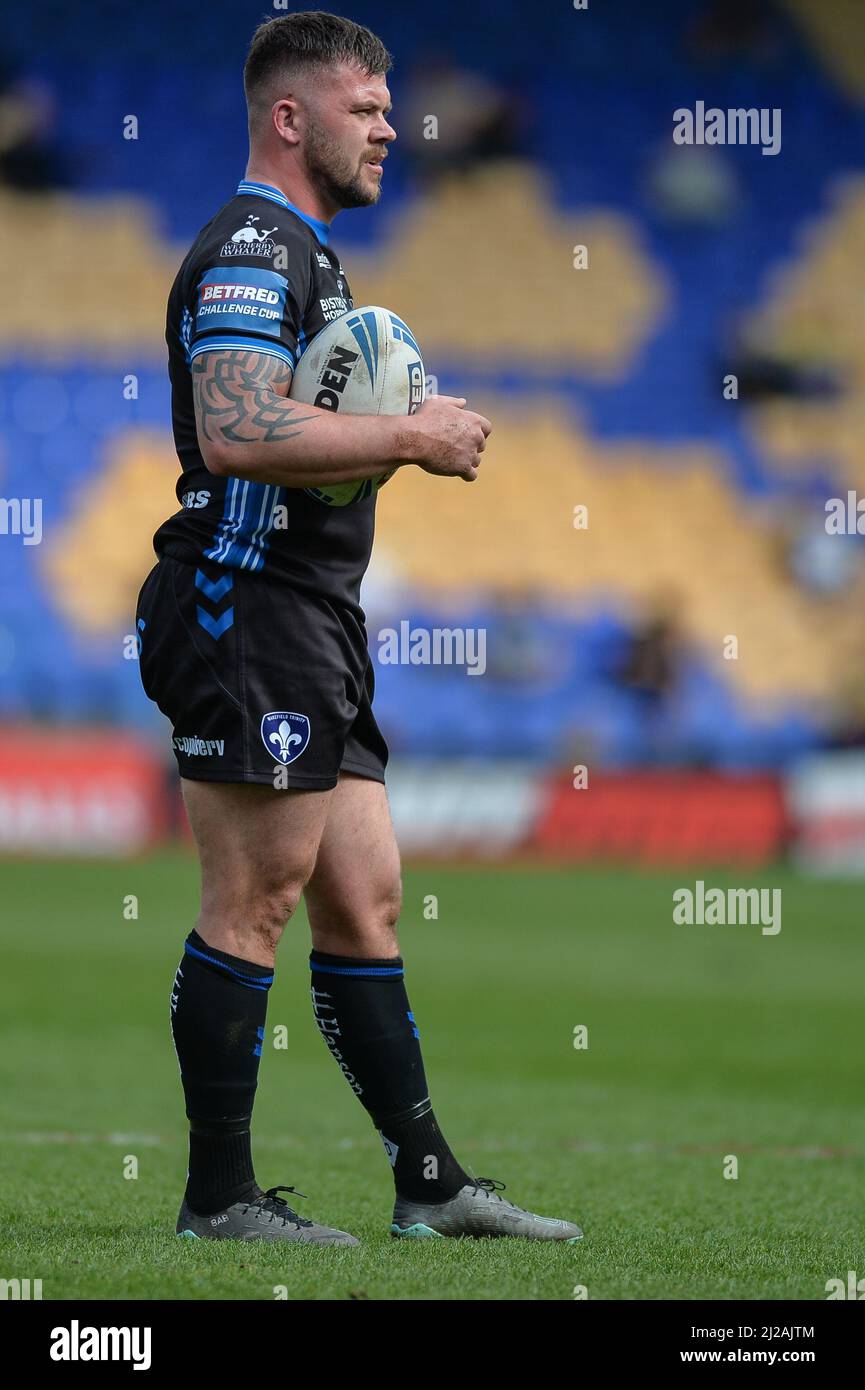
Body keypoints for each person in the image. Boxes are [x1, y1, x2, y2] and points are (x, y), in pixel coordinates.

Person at [136, 9, 581, 1246]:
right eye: (367, 107)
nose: (393, 127)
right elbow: (234, 429)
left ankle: (428, 1185)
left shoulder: (316, 258)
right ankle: (217, 1196)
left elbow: (298, 425)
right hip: (244, 607)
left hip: (314, 618)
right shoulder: (248, 247)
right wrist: (409, 434)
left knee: (365, 899)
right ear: (291, 117)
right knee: (256, 897)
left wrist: (395, 418)